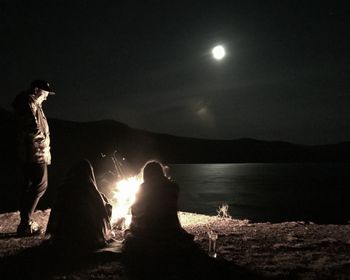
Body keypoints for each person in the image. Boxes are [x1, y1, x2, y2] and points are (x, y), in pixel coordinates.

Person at [12, 80, 55, 236]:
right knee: (40, 185)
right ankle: (26, 224)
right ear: (36, 90)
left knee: (30, 186)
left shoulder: (32, 105)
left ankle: (25, 222)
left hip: (32, 152)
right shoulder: (27, 105)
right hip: (33, 153)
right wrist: (42, 146)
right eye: (45, 93)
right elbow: (33, 129)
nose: (46, 97)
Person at [46, 159, 113, 252]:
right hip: (89, 240)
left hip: (63, 239)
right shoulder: (93, 192)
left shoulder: (63, 189)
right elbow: (105, 214)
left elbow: (55, 216)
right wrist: (106, 203)